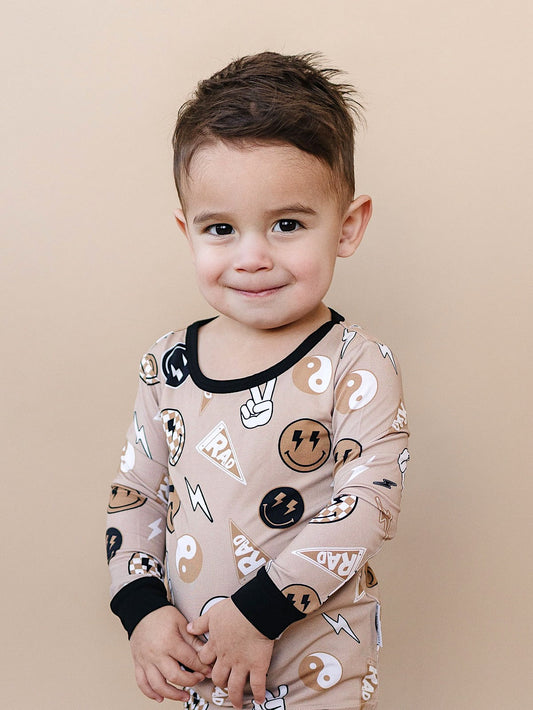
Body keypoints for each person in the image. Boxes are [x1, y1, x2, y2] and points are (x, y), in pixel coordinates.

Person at [106, 51, 409, 710]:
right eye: (221, 229)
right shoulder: (168, 363)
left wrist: (258, 614)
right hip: (200, 665)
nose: (251, 257)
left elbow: (368, 503)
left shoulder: (354, 363)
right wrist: (142, 609)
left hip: (314, 667)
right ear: (188, 232)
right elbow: (136, 496)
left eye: (287, 224)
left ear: (347, 226)